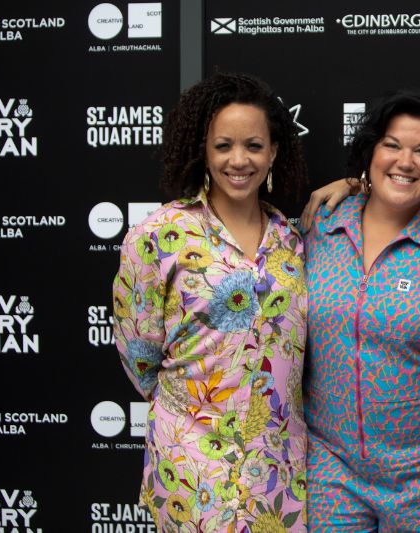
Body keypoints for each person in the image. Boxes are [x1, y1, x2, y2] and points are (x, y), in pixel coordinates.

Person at [112, 72, 309, 532]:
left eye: (254, 146)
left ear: (274, 152)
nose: (238, 160)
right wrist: (197, 410)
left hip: (279, 463)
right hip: (192, 459)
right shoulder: (158, 235)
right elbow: (138, 354)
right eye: (223, 146)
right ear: (203, 150)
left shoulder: (291, 238)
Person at [303, 90, 420, 532]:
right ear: (370, 151)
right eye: (392, 145)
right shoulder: (322, 226)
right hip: (331, 472)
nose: (406, 161)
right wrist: (353, 185)